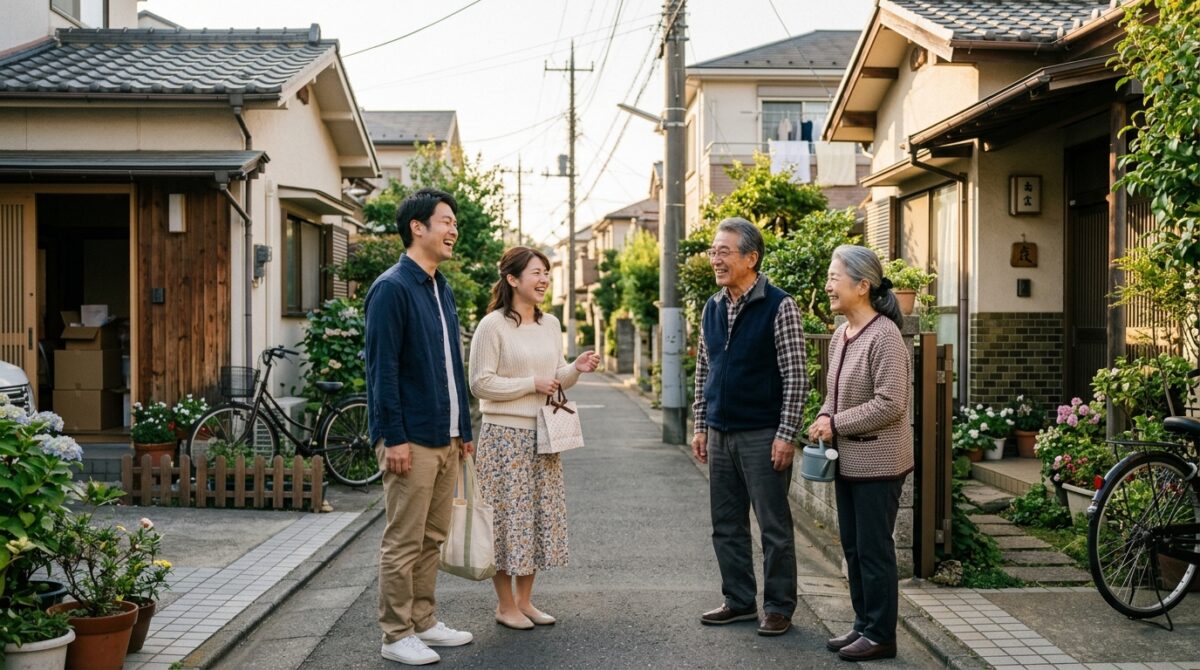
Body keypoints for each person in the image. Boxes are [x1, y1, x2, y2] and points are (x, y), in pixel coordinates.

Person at [365, 187, 475, 666]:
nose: (453, 230)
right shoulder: (392, 287)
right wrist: (393, 436)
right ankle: (395, 634)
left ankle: (424, 621)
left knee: (433, 537)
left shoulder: (439, 286)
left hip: (447, 434)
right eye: (446, 221)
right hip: (411, 438)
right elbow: (381, 368)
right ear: (418, 227)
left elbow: (453, 364)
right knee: (404, 539)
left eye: (454, 223)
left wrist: (464, 429)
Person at [469, 246, 601, 630]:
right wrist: (531, 383)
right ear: (512, 279)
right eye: (536, 273)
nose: (544, 279)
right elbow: (480, 383)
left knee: (537, 519)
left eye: (546, 272)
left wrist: (574, 368)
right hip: (503, 438)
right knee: (506, 521)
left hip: (543, 434)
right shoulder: (492, 325)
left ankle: (525, 601)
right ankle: (504, 604)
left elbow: (555, 376)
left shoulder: (552, 324)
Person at [691, 217, 808, 637]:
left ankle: (778, 606)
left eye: (724, 252)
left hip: (763, 434)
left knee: (774, 527)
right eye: (713, 252)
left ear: (750, 258)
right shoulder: (712, 306)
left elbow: (796, 375)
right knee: (726, 524)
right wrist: (700, 424)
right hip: (720, 432)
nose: (716, 259)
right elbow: (705, 368)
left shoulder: (780, 305)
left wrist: (786, 434)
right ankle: (739, 600)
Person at [807, 244, 913, 662]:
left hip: (880, 463)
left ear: (863, 285)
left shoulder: (885, 336)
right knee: (852, 547)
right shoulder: (841, 334)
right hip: (849, 462)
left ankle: (882, 634)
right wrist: (823, 415)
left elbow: (891, 403)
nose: (829, 285)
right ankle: (863, 624)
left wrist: (835, 424)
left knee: (873, 549)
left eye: (835, 278)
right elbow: (833, 393)